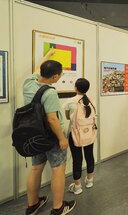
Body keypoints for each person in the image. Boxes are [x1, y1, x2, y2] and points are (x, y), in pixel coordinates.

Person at [24, 49, 76, 215]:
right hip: (52, 137)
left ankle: (32, 205)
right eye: (60, 75)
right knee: (58, 169)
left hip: (34, 134)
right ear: (54, 77)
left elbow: (37, 69)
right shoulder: (50, 92)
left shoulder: (28, 83)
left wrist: (47, 56)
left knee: (35, 169)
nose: (60, 77)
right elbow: (52, 119)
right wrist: (61, 138)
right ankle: (58, 207)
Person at [63, 78, 96, 195]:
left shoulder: (70, 101)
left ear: (76, 88)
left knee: (77, 159)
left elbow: (68, 117)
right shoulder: (90, 101)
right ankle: (90, 181)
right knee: (89, 156)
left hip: (75, 135)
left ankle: (77, 187)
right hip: (89, 134)